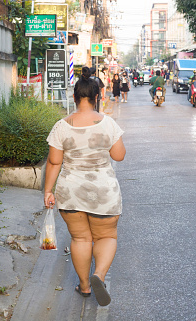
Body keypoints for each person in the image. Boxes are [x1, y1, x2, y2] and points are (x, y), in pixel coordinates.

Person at [44, 66, 126, 307]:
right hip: (104, 192)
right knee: (106, 236)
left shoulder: (61, 125)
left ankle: (85, 286)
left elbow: (54, 162)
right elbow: (119, 156)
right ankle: (99, 275)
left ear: (74, 97)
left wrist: (48, 191)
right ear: (97, 96)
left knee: (80, 238)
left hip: (70, 192)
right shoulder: (108, 123)